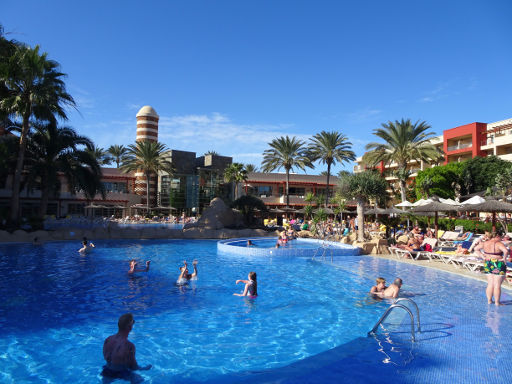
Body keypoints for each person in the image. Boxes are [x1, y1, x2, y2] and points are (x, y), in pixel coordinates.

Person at [102, 313, 152, 379]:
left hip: (107, 370)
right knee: (139, 379)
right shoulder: (129, 346)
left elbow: (106, 358)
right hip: (121, 372)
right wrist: (142, 369)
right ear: (130, 327)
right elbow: (133, 367)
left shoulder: (108, 339)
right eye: (132, 323)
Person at [474, 231, 509, 306]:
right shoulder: (499, 243)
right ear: (497, 236)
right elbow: (505, 251)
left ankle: (489, 301)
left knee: (490, 283)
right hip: (498, 263)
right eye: (501, 237)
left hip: (488, 262)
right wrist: (504, 258)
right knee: (497, 285)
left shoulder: (485, 243)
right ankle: (497, 302)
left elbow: (476, 249)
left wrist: (483, 256)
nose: (501, 239)